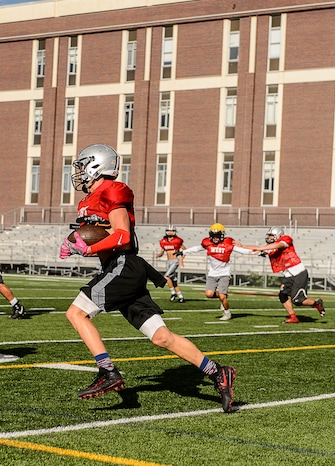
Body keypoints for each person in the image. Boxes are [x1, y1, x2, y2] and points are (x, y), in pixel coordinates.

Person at [59, 144, 237, 413]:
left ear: (97, 166)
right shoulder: (87, 200)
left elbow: (123, 234)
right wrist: (74, 242)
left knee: (76, 313)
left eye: (83, 166)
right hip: (119, 267)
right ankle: (218, 373)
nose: (79, 172)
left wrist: (90, 247)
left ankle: (108, 372)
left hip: (124, 265)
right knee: (161, 337)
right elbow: (102, 231)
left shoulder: (113, 189)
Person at [243, 226, 325, 324]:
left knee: (297, 300)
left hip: (299, 273)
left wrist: (261, 248)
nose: (269, 238)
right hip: (288, 275)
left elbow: (279, 245)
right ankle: (293, 317)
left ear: (278, 235)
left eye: (271, 236)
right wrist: (240, 247)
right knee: (283, 295)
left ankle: (316, 303)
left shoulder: (286, 239)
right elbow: (253, 251)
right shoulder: (271, 247)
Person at [182, 223, 254, 321]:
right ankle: (223, 296)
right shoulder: (207, 242)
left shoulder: (228, 243)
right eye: (213, 236)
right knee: (209, 294)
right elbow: (197, 249)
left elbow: (242, 251)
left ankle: (227, 313)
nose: (215, 238)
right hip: (212, 273)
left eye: (217, 235)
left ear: (222, 235)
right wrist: (183, 252)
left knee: (222, 295)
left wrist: (257, 252)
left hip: (224, 273)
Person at [155, 224, 186, 303]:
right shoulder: (164, 241)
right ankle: (180, 296)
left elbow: (185, 251)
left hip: (175, 261)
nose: (170, 232)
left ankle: (173, 293)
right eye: (168, 230)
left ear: (174, 232)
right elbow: (162, 252)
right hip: (168, 262)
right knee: (173, 280)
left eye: (171, 231)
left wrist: (181, 259)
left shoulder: (177, 241)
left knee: (166, 276)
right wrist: (159, 255)